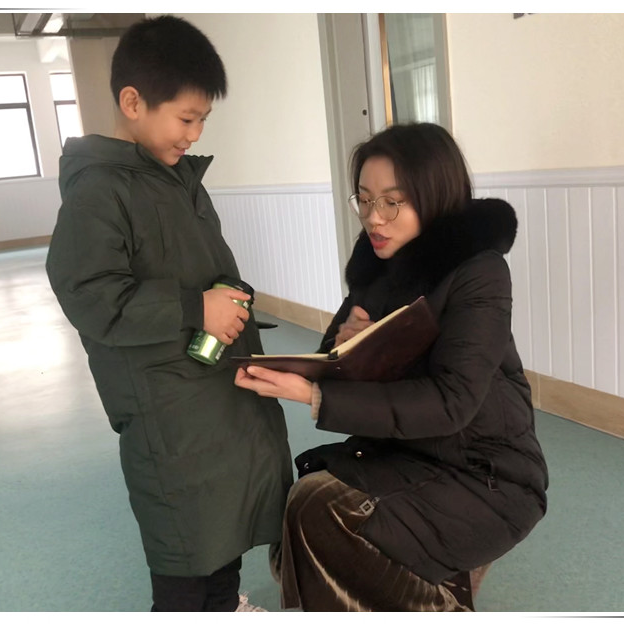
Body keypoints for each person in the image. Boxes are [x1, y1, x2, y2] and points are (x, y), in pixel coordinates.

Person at [235, 122, 549, 612]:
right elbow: (332, 355)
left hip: (487, 475)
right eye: (363, 200)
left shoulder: (480, 271)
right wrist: (345, 342)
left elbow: (452, 401)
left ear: (434, 195)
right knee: (298, 516)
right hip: (405, 453)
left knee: (321, 513)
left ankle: (443, 605)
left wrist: (317, 394)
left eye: (391, 201)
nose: (373, 218)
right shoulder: (378, 264)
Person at [45, 15, 292, 612]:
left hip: (212, 390)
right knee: (184, 553)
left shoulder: (177, 177)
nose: (196, 132)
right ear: (133, 102)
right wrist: (194, 307)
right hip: (166, 407)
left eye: (204, 118)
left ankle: (226, 605)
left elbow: (195, 262)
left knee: (223, 525)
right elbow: (90, 295)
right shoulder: (99, 190)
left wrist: (224, 297)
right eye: (186, 118)